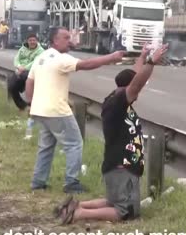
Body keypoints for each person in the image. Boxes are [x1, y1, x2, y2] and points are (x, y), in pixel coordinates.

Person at [53, 44, 168, 224]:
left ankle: (76, 206)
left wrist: (143, 57)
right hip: (122, 166)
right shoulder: (118, 103)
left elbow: (134, 79)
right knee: (126, 211)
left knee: (113, 202)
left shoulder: (115, 97)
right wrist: (151, 62)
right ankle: (77, 215)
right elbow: (136, 84)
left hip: (117, 165)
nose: (138, 93)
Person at [25, 27, 125, 193]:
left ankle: (38, 181)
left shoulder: (41, 57)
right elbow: (86, 64)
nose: (69, 41)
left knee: (46, 146)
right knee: (75, 143)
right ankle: (71, 182)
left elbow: (29, 82)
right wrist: (111, 58)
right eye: (65, 38)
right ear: (55, 40)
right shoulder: (60, 59)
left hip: (40, 110)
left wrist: (30, 103)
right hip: (57, 110)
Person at [9, 33, 45, 110]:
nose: (32, 42)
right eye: (30, 40)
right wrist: (19, 66)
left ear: (37, 41)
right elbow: (16, 59)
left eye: (34, 40)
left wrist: (24, 68)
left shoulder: (40, 51)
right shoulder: (23, 48)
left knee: (24, 80)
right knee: (11, 86)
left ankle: (31, 103)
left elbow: (36, 62)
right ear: (27, 41)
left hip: (32, 71)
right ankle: (22, 106)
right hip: (20, 70)